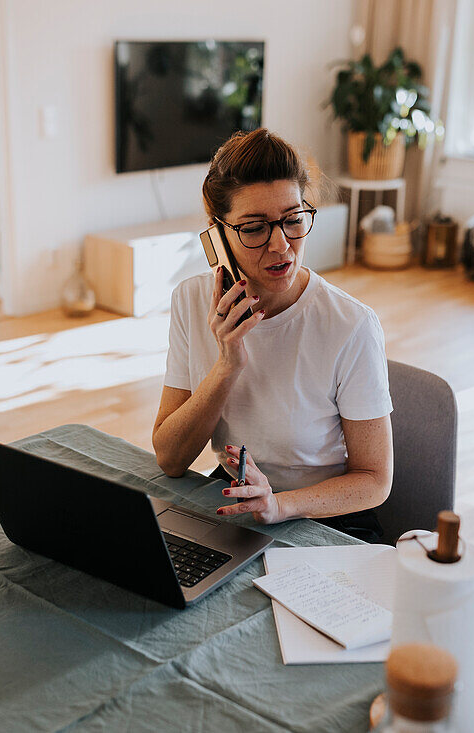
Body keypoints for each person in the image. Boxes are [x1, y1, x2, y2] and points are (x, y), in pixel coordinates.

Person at [151, 128, 394, 542]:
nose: (281, 245)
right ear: (217, 235)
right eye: (254, 228)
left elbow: (374, 480)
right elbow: (171, 459)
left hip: (324, 518)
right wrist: (227, 365)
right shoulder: (191, 301)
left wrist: (280, 505)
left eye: (293, 220)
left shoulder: (350, 325)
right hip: (235, 502)